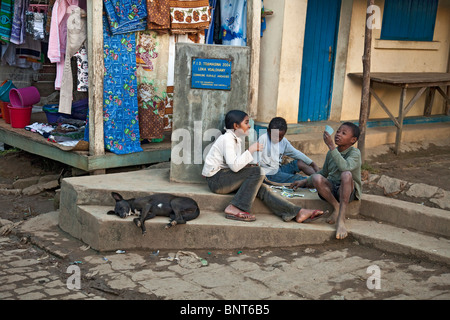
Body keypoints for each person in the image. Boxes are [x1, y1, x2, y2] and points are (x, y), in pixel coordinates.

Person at [202, 110, 323, 223]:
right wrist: (251, 150)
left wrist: (248, 164)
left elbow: (236, 164)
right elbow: (234, 167)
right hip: (217, 181)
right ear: (236, 126)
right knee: (258, 171)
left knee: (261, 187)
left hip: (226, 178)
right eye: (246, 122)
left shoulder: (236, 140)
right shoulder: (227, 139)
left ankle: (296, 212)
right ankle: (235, 207)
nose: (249, 126)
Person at [290, 122, 362, 240]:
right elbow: (323, 173)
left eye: (344, 133)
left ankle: (341, 218)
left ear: (353, 140)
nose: (338, 134)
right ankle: (336, 206)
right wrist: (305, 181)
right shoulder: (331, 153)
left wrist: (332, 147)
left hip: (348, 191)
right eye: (338, 131)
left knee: (346, 174)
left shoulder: (355, 153)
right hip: (333, 189)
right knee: (317, 178)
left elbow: (345, 167)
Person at [257, 117, 319, 183]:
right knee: (296, 178)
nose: (277, 139)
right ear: (268, 131)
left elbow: (296, 153)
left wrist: (312, 163)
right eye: (274, 136)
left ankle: (319, 177)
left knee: (299, 163)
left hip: (279, 170)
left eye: (280, 136)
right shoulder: (263, 139)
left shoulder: (284, 142)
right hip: (269, 174)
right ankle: (313, 181)